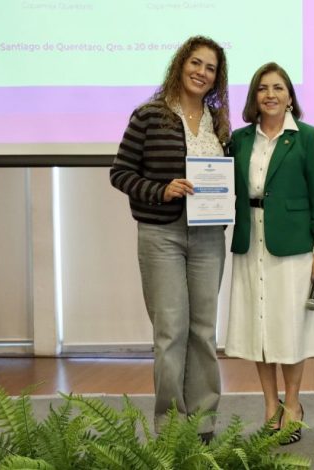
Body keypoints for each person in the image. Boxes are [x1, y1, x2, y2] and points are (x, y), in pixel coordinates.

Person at [110, 36, 230, 442]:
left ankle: (203, 423)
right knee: (170, 333)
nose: (202, 72)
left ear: (217, 78)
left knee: (204, 332)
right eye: (196, 63)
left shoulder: (220, 123)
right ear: (180, 65)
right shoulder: (149, 115)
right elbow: (120, 173)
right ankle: (171, 427)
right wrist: (161, 190)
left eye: (210, 68)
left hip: (209, 236)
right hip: (162, 234)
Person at [224, 62, 314, 445]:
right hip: (249, 240)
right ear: (254, 97)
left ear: (290, 97)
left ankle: (293, 405)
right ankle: (270, 406)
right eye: (263, 88)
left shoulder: (307, 137)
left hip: (294, 247)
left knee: (288, 328)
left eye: (278, 88)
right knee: (259, 328)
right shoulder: (239, 139)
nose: (270, 94)